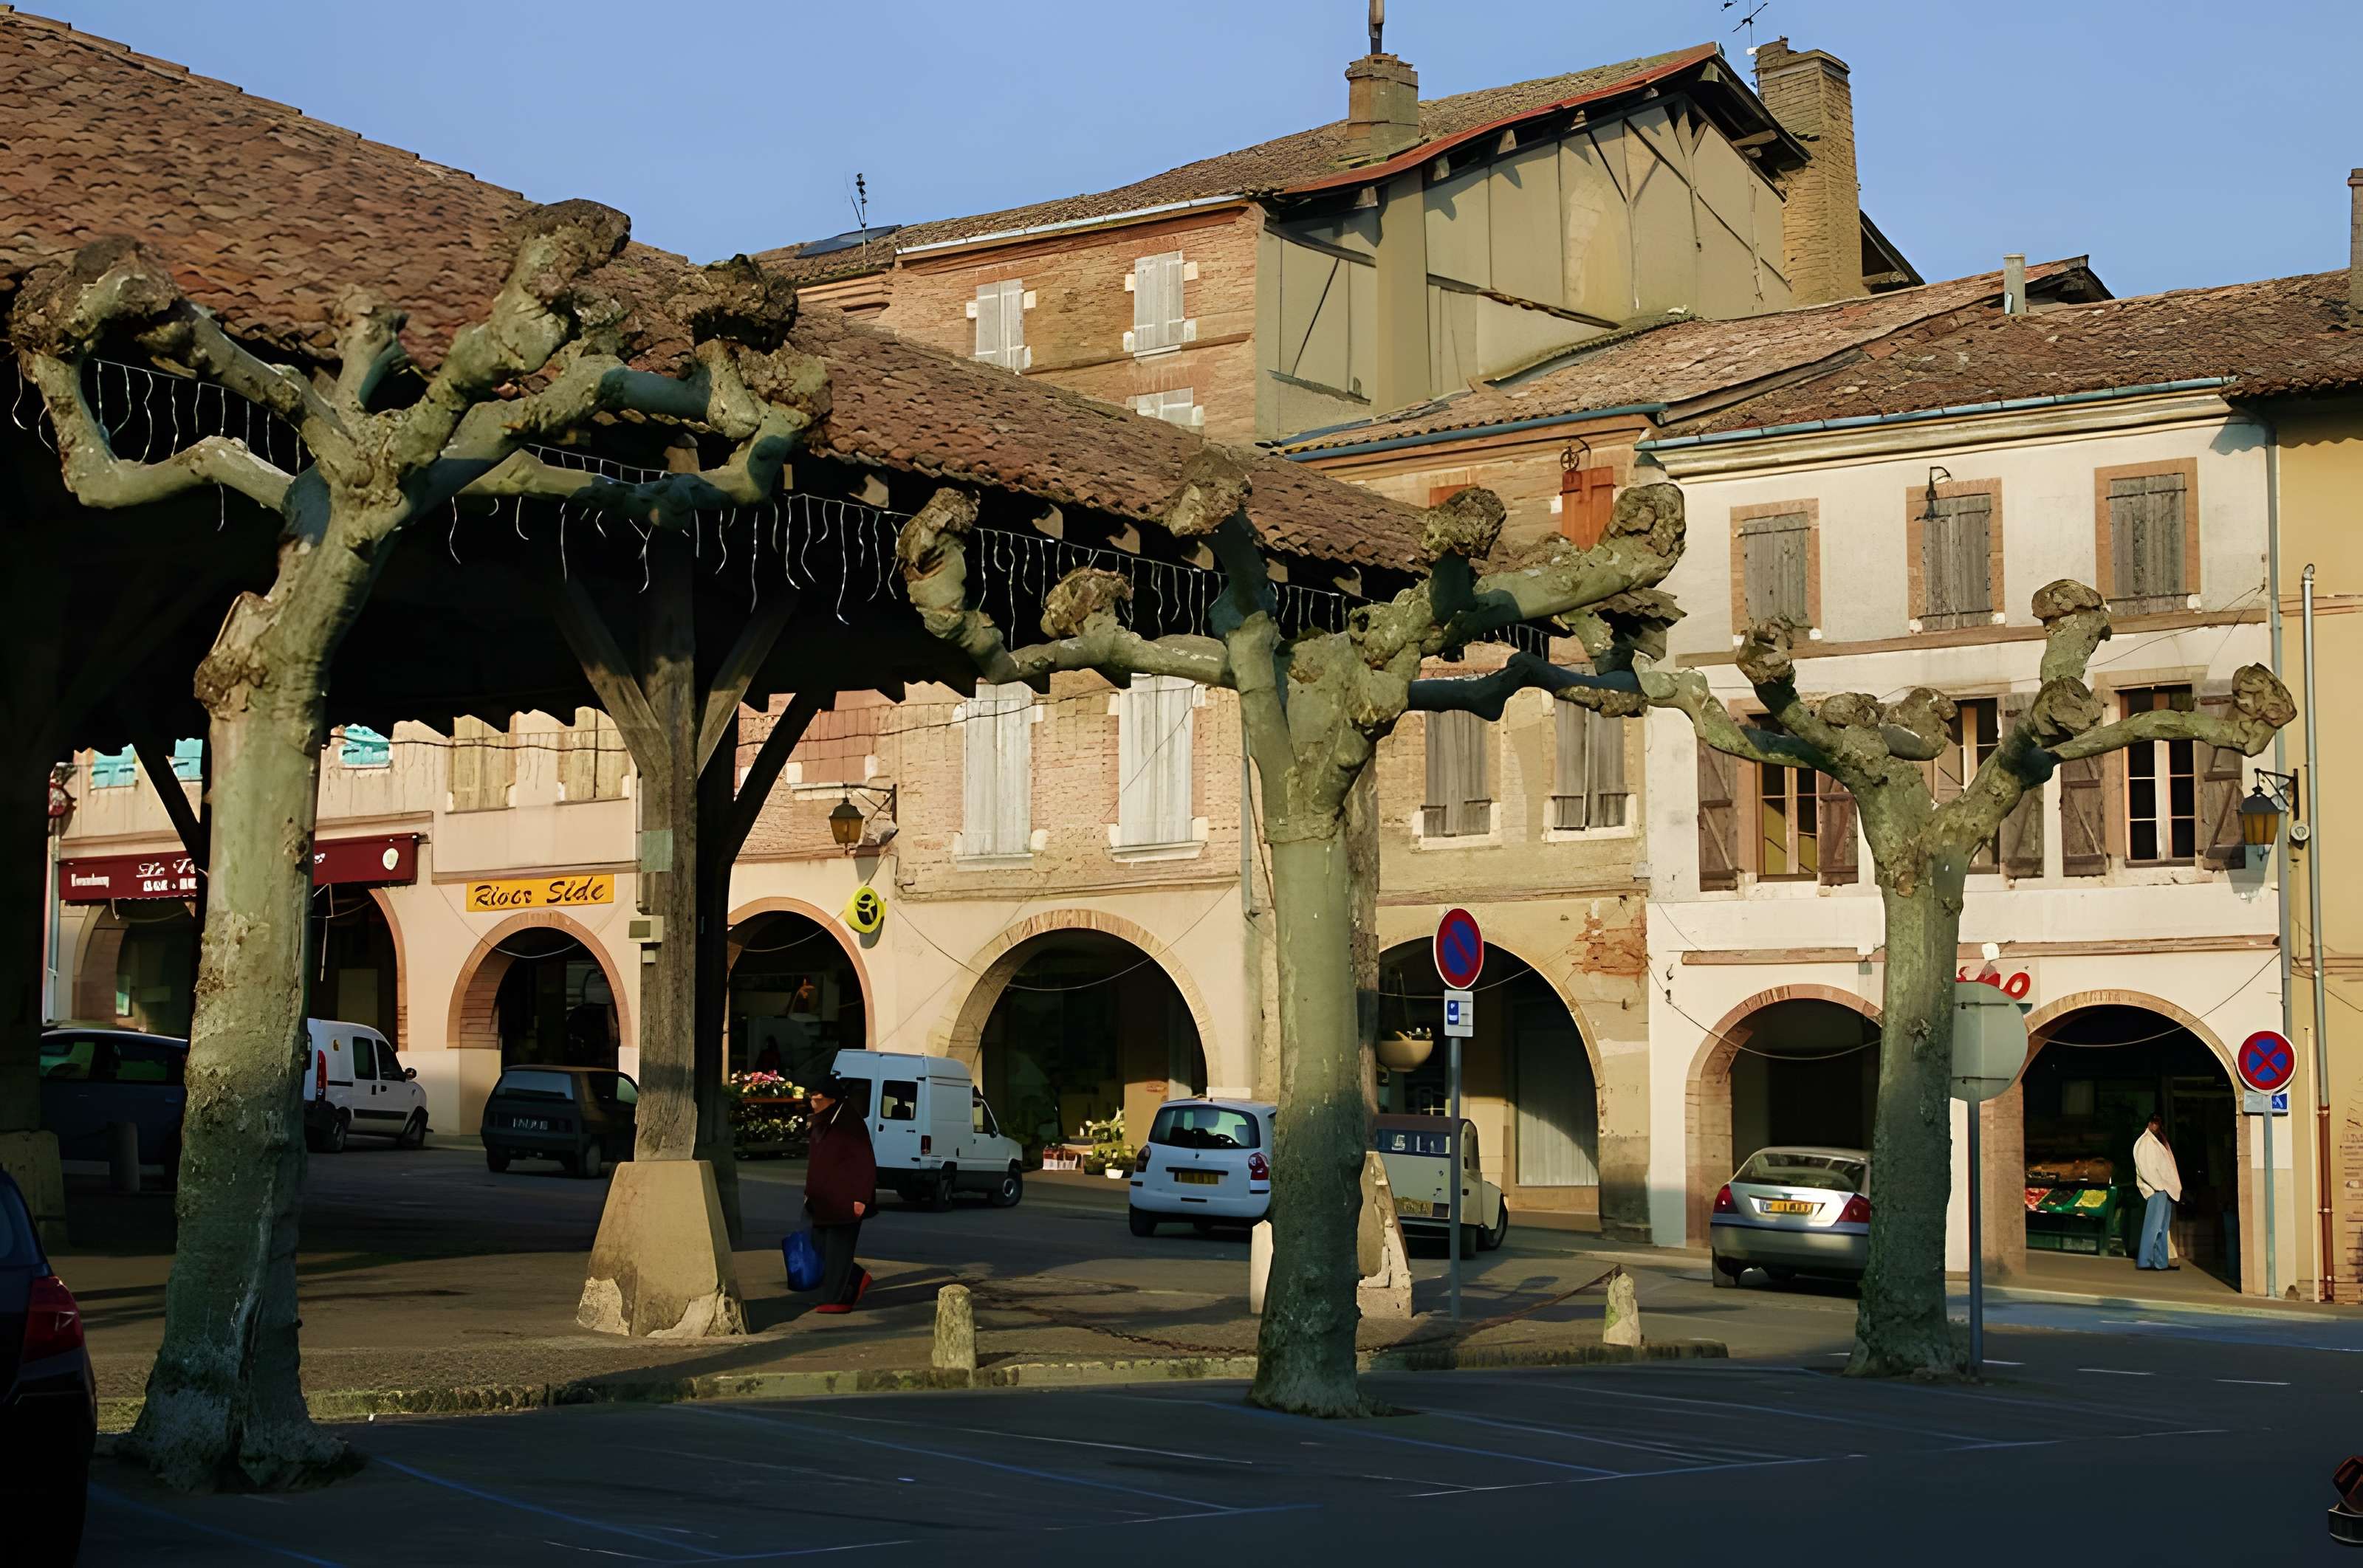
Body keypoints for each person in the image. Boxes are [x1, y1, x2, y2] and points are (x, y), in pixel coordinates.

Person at [803, 1076, 876, 1313]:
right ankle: (855, 1278)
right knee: (819, 1246)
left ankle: (837, 1299)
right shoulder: (821, 1120)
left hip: (846, 1199)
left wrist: (861, 1198)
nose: (813, 1102)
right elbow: (816, 1162)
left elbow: (865, 1161)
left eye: (818, 1098)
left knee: (838, 1251)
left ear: (831, 1098)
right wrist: (809, 1192)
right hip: (822, 1199)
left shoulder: (848, 1121)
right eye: (811, 1098)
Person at [2132, 1113, 2183, 1271]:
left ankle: (2160, 1262)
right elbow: (2146, 1168)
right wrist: (2159, 1186)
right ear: (2148, 1124)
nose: (2155, 1126)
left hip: (2164, 1189)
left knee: (2162, 1227)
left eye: (2157, 1123)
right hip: (2158, 1189)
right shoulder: (2146, 1142)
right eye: (2153, 1123)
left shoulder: (2159, 1141)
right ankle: (2146, 1261)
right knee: (2153, 1227)